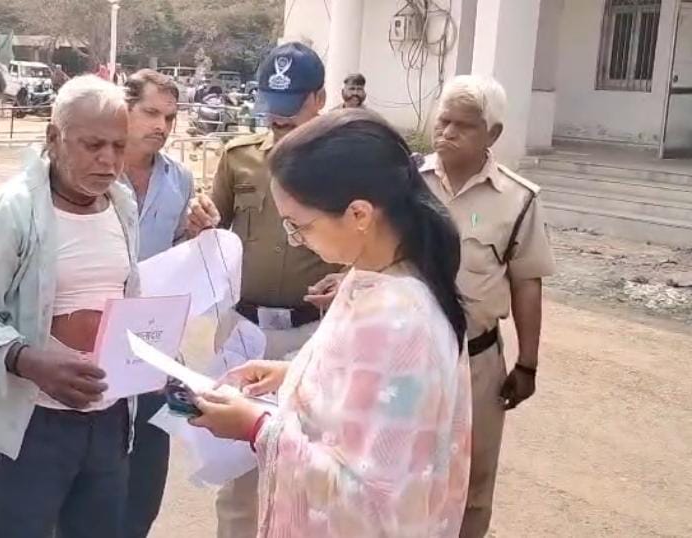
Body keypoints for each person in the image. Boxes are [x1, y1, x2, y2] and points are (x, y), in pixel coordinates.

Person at [190, 109, 473, 537]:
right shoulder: (373, 275)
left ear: (359, 214)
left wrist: (257, 427)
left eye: (299, 226)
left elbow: (370, 500)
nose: (295, 240)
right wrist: (294, 373)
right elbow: (374, 394)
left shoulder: (398, 319)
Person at [0, 75, 137, 538]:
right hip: (33, 424)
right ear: (54, 138)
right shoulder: (9, 211)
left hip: (110, 419)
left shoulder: (122, 205)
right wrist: (29, 361)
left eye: (119, 146)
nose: (109, 160)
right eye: (93, 145)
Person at [185, 41, 341, 538]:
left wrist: (350, 280)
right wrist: (201, 221)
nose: (279, 119)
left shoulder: (346, 164)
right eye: (272, 106)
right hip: (244, 332)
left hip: (311, 334)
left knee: (310, 467)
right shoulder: (241, 159)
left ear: (319, 99)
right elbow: (213, 231)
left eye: (291, 106)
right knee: (239, 475)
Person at [423, 75, 555, 538]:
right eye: (443, 120)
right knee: (402, 470)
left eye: (464, 125)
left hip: (476, 363)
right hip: (408, 358)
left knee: (472, 484)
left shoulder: (518, 200)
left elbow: (526, 283)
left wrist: (528, 364)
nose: (447, 132)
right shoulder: (406, 184)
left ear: (493, 134)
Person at [119, 69, 194, 538]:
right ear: (124, 109)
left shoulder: (179, 179)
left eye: (169, 117)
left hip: (154, 350)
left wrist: (198, 233)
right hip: (95, 344)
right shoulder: (93, 174)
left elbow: (178, 252)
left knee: (143, 490)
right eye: (150, 113)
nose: (161, 126)